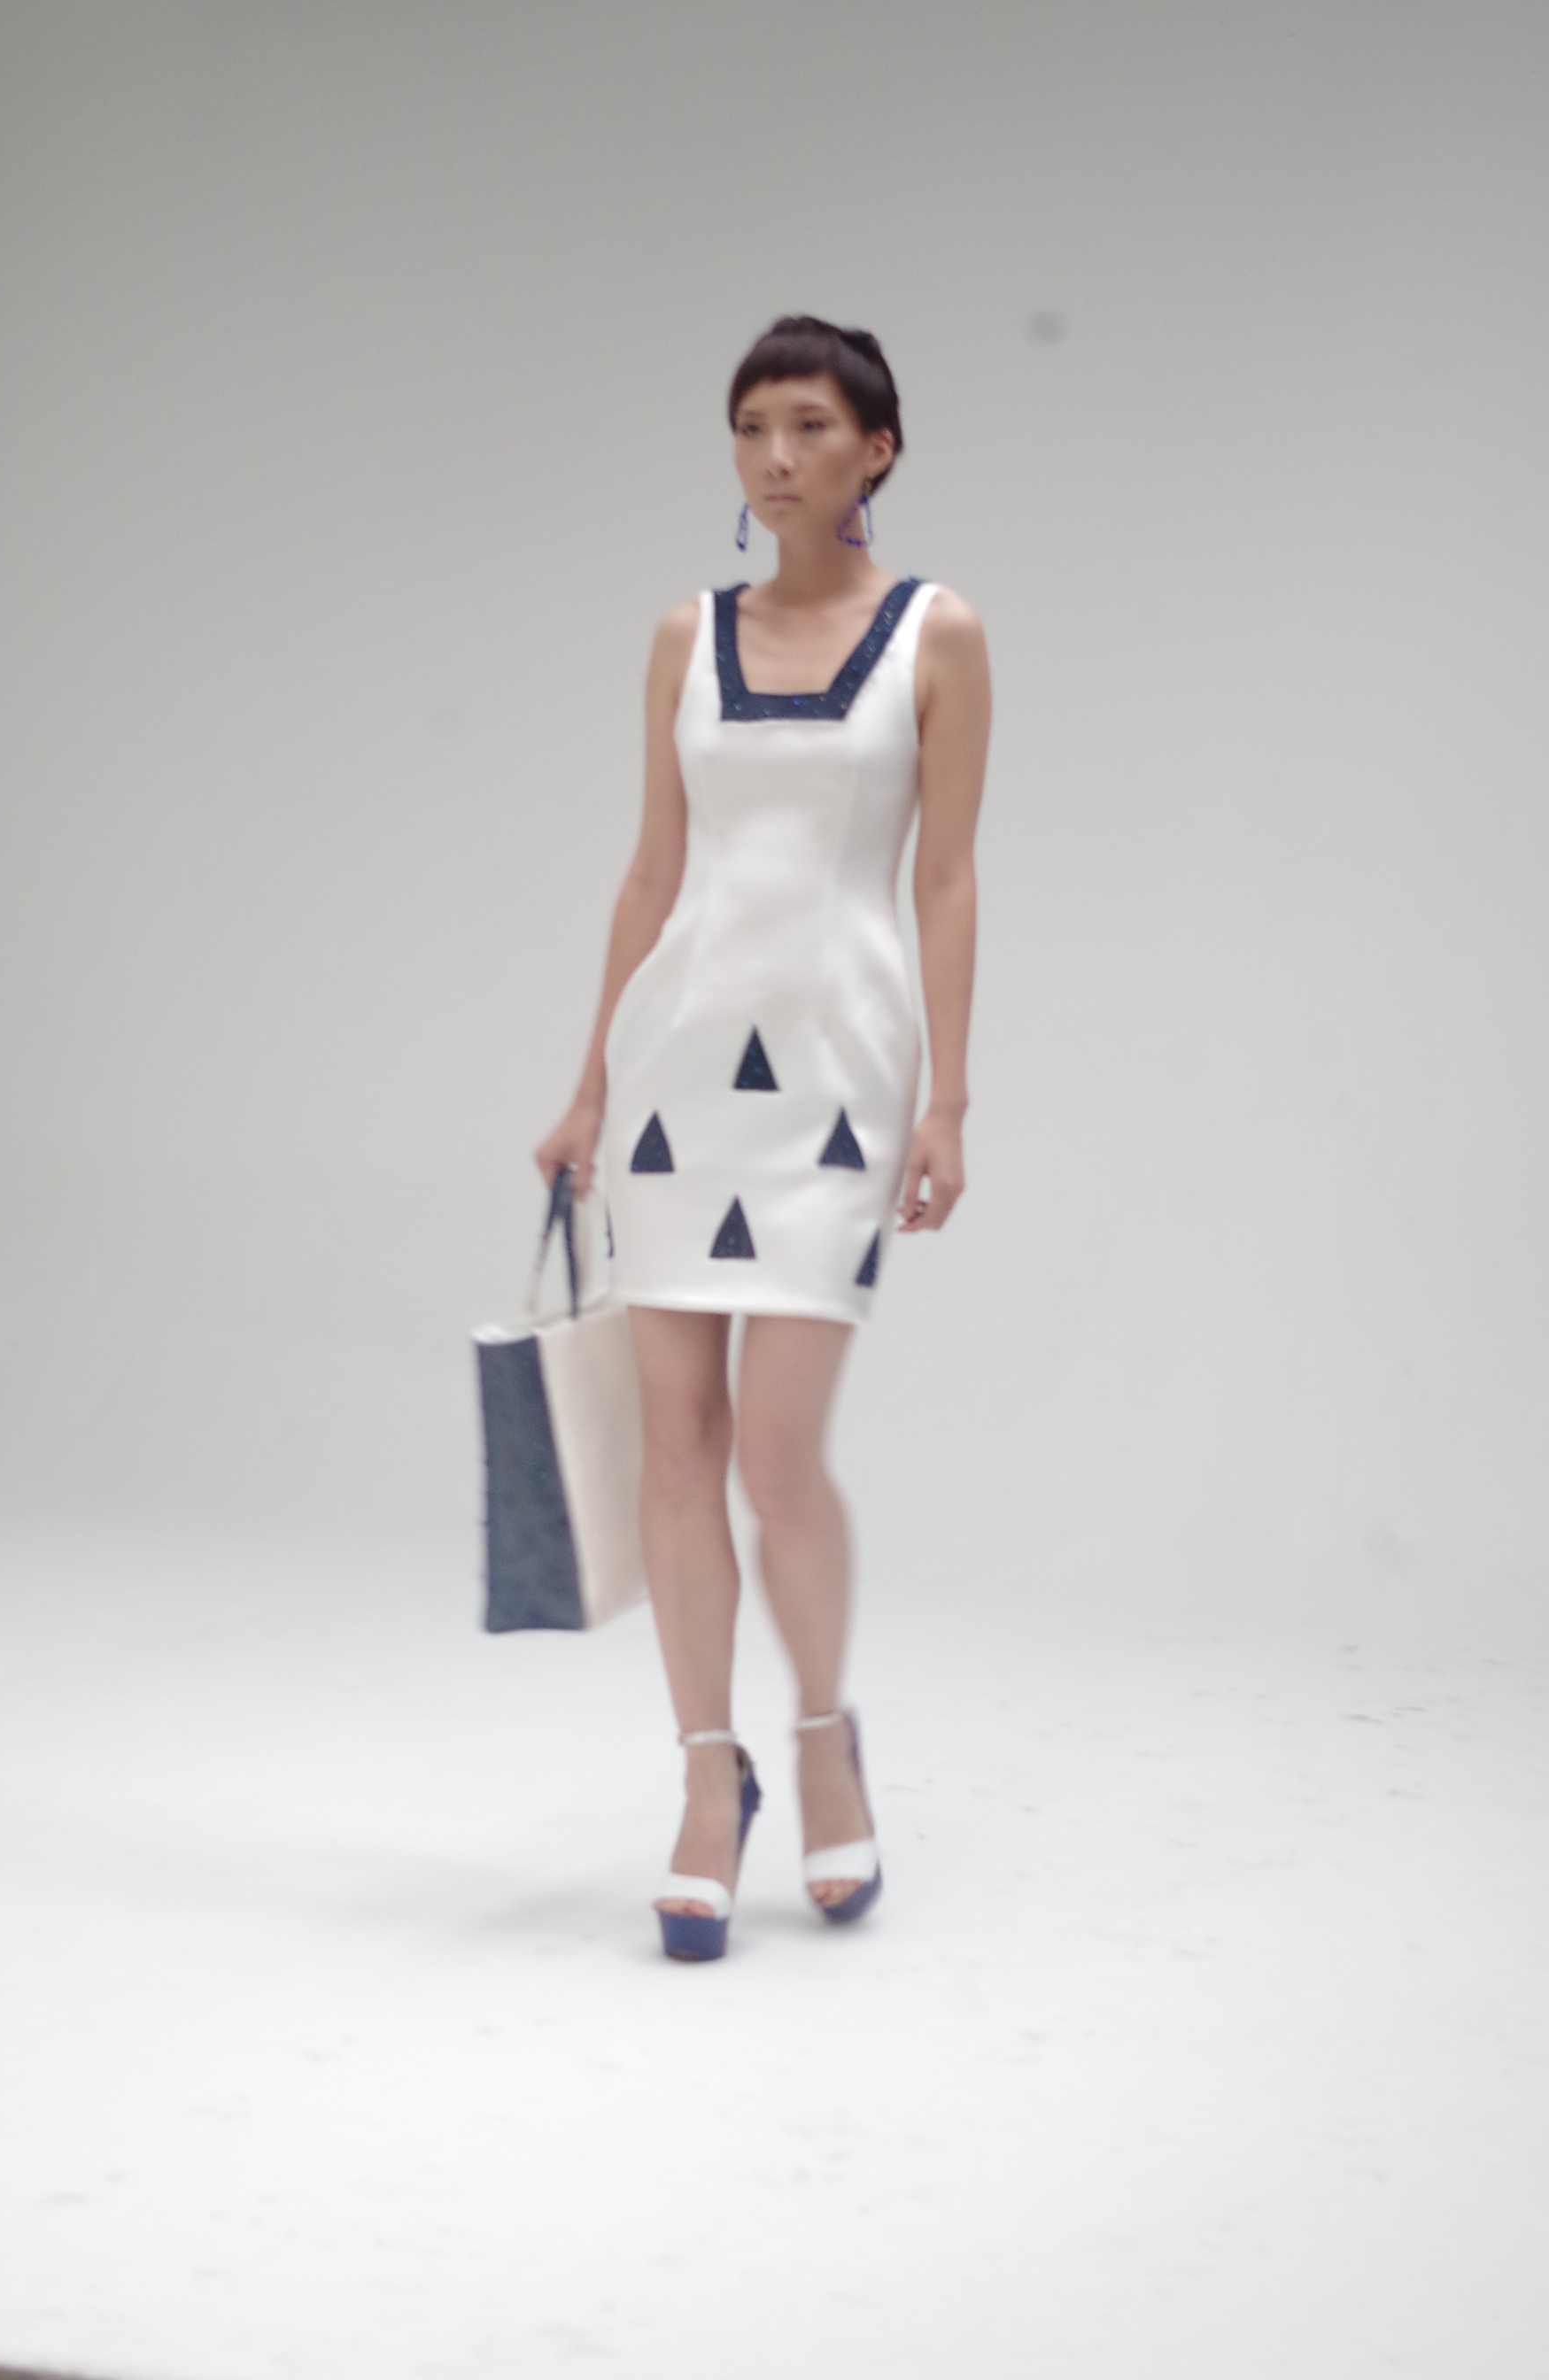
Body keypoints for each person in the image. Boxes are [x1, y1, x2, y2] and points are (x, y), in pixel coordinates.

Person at [537, 315, 989, 1960]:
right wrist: (589, 1086)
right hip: (678, 1075)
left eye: (808, 424)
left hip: (841, 1079)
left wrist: (947, 1098)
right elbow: (651, 873)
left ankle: (820, 1740)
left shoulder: (939, 634)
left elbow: (946, 877)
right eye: (750, 428)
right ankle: (705, 1778)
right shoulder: (686, 635)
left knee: (779, 1462)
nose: (776, 456)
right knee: (676, 1446)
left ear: (878, 447)